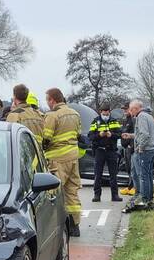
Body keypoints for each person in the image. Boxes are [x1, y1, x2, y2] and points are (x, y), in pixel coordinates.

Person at [43, 88, 83, 236]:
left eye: (47, 100)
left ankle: (56, 227)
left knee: (54, 193)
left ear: (52, 100)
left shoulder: (52, 115)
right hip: (73, 158)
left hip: (57, 160)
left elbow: (46, 138)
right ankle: (75, 226)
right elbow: (78, 134)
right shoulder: (75, 114)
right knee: (72, 191)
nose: (47, 103)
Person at [123, 100, 154, 212]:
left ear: (135, 109)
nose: (130, 111)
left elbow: (145, 134)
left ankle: (145, 199)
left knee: (143, 176)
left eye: (130, 109)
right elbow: (142, 133)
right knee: (148, 175)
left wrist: (140, 147)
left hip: (146, 150)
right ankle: (150, 198)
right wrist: (131, 136)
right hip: (152, 149)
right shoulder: (149, 116)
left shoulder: (141, 117)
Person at [89, 103, 122, 202]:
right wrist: (99, 135)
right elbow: (90, 136)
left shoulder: (114, 121)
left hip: (111, 150)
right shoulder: (96, 121)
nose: (106, 113)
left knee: (113, 174)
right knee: (98, 174)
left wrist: (111, 135)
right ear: (101, 111)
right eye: (104, 111)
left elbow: (119, 134)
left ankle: (115, 195)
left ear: (109, 111)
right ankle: (97, 195)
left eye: (107, 111)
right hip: (99, 150)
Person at [119, 101, 136, 196]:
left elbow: (135, 133)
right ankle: (129, 187)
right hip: (125, 147)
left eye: (126, 109)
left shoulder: (133, 120)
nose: (124, 111)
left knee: (133, 169)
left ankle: (133, 187)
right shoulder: (125, 119)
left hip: (131, 148)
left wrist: (131, 146)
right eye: (123, 109)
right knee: (128, 168)